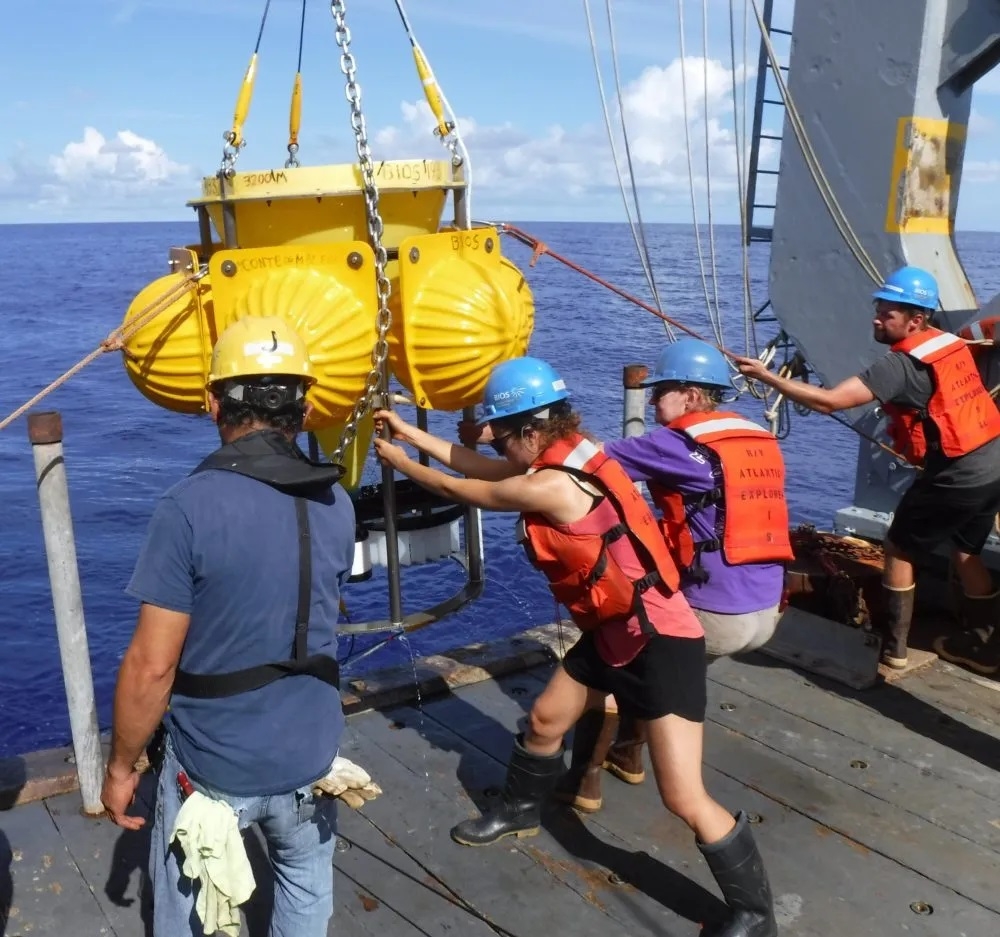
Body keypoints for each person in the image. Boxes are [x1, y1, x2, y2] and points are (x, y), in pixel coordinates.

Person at [373, 355, 778, 937]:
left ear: (532, 431)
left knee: (684, 796)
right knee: (544, 719)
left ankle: (754, 912)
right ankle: (518, 812)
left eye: (504, 435)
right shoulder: (576, 451)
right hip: (611, 631)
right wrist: (412, 434)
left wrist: (396, 461)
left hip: (660, 641)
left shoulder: (556, 486)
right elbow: (485, 467)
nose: (499, 446)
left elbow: (465, 487)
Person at [100, 317, 355, 937]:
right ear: (306, 404)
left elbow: (151, 667)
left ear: (212, 401)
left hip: (216, 769)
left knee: (190, 909)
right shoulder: (338, 502)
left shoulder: (187, 507)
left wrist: (120, 768)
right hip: (312, 753)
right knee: (303, 887)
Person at [555, 338, 794, 814]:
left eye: (659, 391)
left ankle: (584, 782)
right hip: (766, 612)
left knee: (612, 655)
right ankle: (629, 753)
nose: (651, 401)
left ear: (689, 395)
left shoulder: (677, 441)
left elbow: (585, 463)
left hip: (717, 615)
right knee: (660, 670)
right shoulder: (757, 438)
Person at [736, 265, 1000, 675]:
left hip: (958, 473)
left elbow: (831, 402)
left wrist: (768, 376)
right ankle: (984, 644)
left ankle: (893, 649)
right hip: (993, 461)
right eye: (878, 308)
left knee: (898, 547)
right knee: (966, 550)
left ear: (915, 320)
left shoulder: (897, 366)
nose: (877, 317)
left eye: (888, 312)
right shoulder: (946, 344)